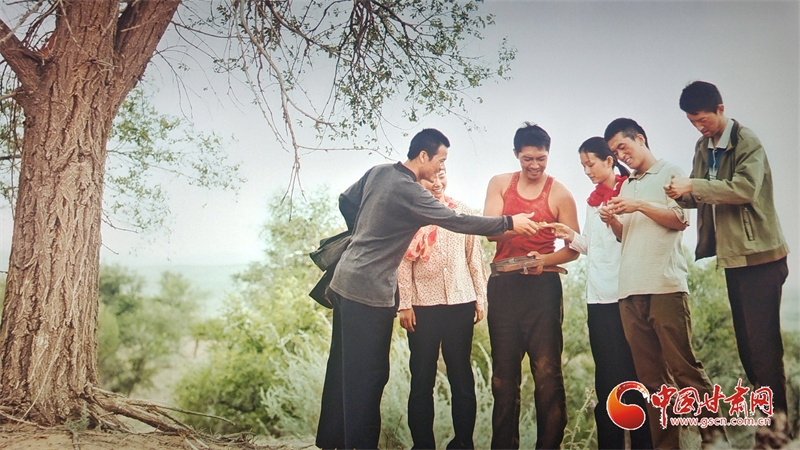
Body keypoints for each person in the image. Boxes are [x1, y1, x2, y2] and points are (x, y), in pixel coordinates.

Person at [315, 128, 542, 449]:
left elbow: (346, 200)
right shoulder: (411, 192)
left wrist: (367, 233)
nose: (441, 167)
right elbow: (458, 222)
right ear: (423, 156)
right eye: (440, 160)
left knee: (342, 367)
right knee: (370, 376)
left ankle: (331, 441)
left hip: (344, 281)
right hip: (369, 292)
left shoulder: (379, 172)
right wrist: (508, 222)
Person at [666, 80, 791, 447]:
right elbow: (700, 193)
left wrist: (693, 186)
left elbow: (743, 189)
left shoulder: (746, 140)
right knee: (749, 350)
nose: (699, 127)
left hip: (762, 256)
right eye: (692, 122)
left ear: (720, 109)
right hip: (734, 258)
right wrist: (678, 193)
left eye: (703, 120)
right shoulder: (702, 147)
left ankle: (777, 432)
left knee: (764, 349)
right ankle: (770, 428)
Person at [604, 118, 725, 449]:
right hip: (629, 291)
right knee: (653, 383)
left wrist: (640, 205)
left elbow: (680, 220)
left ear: (640, 139)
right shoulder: (626, 186)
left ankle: (716, 441)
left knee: (686, 372)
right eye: (615, 151)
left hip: (665, 286)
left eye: (623, 147)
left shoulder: (670, 172)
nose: (621, 155)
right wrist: (613, 220)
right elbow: (626, 235)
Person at [547, 137, 652, 450]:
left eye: (591, 164)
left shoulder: (629, 191)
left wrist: (615, 221)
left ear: (609, 160)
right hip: (598, 299)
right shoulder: (592, 201)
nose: (587, 171)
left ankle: (644, 444)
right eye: (583, 166)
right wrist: (570, 235)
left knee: (633, 376)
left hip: (626, 296)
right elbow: (591, 247)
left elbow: (635, 240)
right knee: (606, 377)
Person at [483, 122, 580, 449]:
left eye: (541, 159)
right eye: (528, 159)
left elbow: (574, 248)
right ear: (516, 154)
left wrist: (545, 260)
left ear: (548, 155)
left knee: (547, 375)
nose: (535, 165)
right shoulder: (499, 184)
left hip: (543, 288)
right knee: (503, 378)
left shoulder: (560, 193)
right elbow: (490, 231)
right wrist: (516, 226)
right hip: (504, 286)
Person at [397, 169, 486, 449]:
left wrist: (480, 297)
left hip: (460, 303)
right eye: (429, 178)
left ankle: (463, 443)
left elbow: (474, 257)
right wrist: (404, 304)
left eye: (442, 175)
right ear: (418, 181)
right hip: (422, 307)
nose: (437, 183)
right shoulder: (409, 215)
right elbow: (402, 263)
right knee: (422, 380)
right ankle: (423, 444)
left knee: (462, 378)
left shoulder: (463, 212)